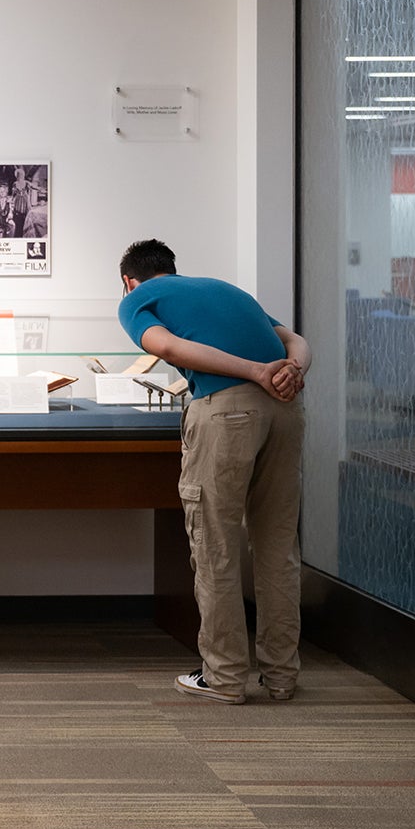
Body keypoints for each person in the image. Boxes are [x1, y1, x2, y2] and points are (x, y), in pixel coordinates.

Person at [116, 239, 310, 704]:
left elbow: (169, 348)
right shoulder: (225, 289)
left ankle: (223, 677)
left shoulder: (136, 299)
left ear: (129, 279)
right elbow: (296, 342)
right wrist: (290, 372)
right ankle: (282, 676)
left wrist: (255, 372)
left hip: (227, 413)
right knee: (278, 547)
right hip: (286, 412)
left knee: (215, 546)